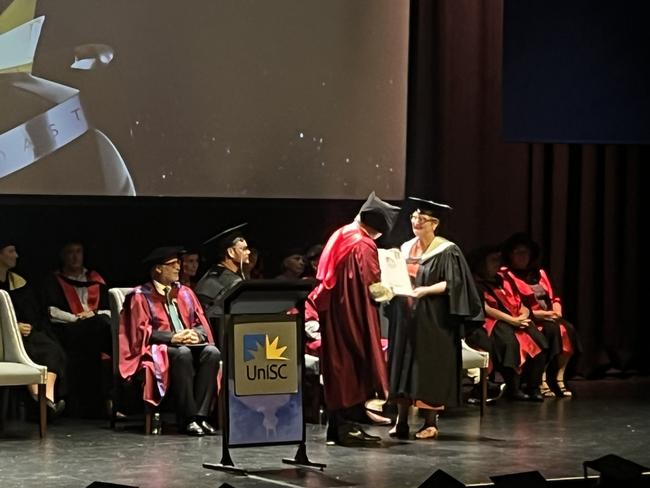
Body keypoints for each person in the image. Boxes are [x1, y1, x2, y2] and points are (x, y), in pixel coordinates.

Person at [387, 197, 483, 440]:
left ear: (435, 223)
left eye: (422, 218)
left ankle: (430, 422)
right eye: (414, 217)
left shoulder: (447, 250)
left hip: (434, 318)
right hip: (406, 316)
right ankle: (401, 420)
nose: (416, 222)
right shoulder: (405, 247)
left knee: (428, 368)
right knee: (402, 366)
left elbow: (455, 284)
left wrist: (426, 290)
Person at [311, 191, 400, 446]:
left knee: (339, 368)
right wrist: (395, 290)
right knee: (351, 365)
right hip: (351, 315)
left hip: (334, 312)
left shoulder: (340, 234)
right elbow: (372, 285)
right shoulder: (362, 244)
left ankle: (339, 425)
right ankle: (346, 428)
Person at [119, 246, 220, 436]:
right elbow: (140, 332)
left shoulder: (186, 293)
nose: (178, 268)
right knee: (182, 353)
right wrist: (172, 337)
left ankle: (201, 416)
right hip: (157, 348)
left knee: (212, 352)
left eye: (178, 264)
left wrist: (196, 334)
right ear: (158, 268)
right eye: (173, 264)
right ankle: (188, 418)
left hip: (187, 344)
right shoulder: (140, 296)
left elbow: (201, 322)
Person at [501, 233, 582, 398]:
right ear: (510, 255)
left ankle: (559, 379)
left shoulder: (539, 273)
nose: (522, 256)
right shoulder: (506, 275)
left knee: (568, 329)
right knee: (552, 331)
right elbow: (513, 303)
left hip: (549, 315)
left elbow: (554, 296)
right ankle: (541, 379)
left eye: (526, 252)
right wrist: (540, 315)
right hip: (530, 317)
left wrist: (557, 309)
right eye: (518, 252)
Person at [40, 240, 113, 416]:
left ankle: (112, 401)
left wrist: (92, 315)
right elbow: (51, 311)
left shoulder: (96, 279)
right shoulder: (54, 280)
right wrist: (77, 318)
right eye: (70, 252)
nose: (75, 257)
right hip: (68, 332)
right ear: (63, 256)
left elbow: (111, 309)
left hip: (95, 329)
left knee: (104, 323)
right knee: (103, 325)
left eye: (78, 252)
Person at [467, 245, 548, 401]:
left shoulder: (502, 279)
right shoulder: (474, 282)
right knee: (509, 342)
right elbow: (485, 307)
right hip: (492, 321)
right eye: (493, 260)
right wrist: (513, 320)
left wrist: (523, 315)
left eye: (499, 259)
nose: (498, 264)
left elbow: (519, 300)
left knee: (538, 340)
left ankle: (533, 386)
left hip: (515, 317)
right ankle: (513, 387)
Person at [0, 239, 66, 417]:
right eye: (11, 251)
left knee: (51, 349)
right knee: (26, 351)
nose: (16, 256)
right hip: (2, 339)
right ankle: (41, 401)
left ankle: (46, 400)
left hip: (23, 334)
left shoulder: (18, 282)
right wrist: (13, 328)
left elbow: (32, 312)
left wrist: (28, 326)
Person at [195, 223, 250, 315]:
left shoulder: (210, 274)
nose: (248, 252)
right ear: (231, 252)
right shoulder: (233, 282)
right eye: (244, 249)